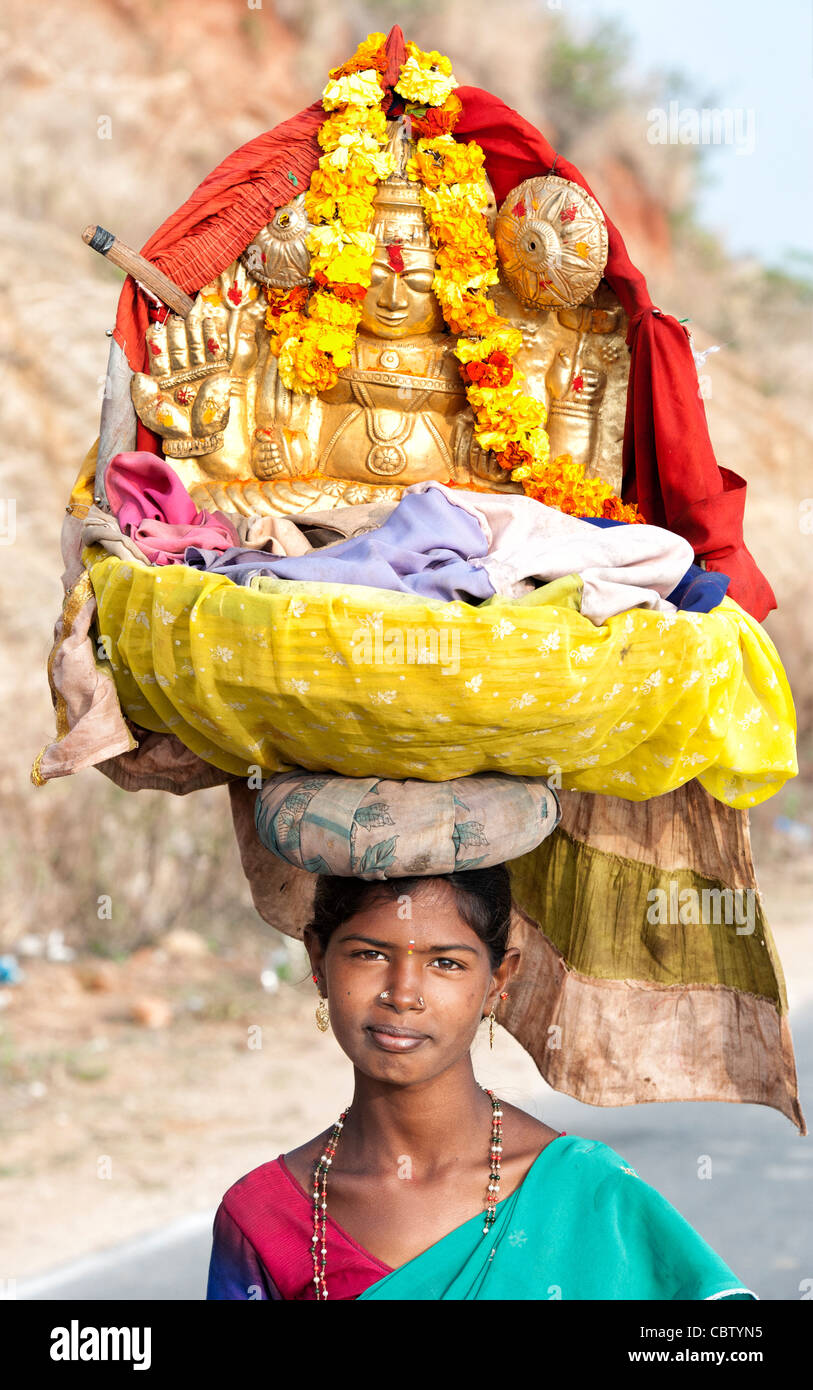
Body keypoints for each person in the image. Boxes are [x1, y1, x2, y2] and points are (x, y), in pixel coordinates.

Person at [206, 865, 756, 1301]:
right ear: (318, 961)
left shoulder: (584, 1192)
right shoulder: (265, 1217)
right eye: (369, 954)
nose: (403, 994)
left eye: (446, 963)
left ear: (498, 981)